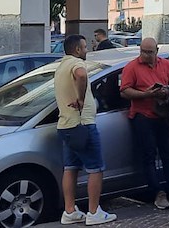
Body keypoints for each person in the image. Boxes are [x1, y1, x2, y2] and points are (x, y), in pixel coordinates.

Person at [54, 34, 117, 225]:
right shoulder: (76, 64)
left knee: (70, 167)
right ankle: (94, 212)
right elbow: (81, 74)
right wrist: (81, 98)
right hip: (82, 124)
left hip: (66, 124)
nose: (87, 50)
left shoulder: (61, 66)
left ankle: (70, 210)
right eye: (85, 47)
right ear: (77, 50)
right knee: (95, 168)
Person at [120, 38, 169, 210]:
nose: (145, 55)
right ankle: (157, 192)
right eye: (142, 51)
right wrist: (145, 94)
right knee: (148, 156)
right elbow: (125, 91)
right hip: (143, 115)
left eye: (149, 52)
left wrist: (166, 91)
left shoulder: (167, 64)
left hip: (163, 114)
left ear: (156, 51)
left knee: (168, 153)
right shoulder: (132, 67)